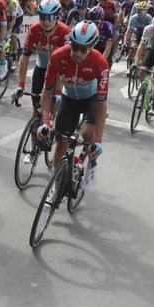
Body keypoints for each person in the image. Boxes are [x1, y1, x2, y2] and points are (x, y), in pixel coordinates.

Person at [37, 21, 108, 186]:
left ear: (91, 47)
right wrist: (46, 122)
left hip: (91, 100)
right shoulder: (57, 56)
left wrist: (98, 141)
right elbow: (46, 91)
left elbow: (102, 104)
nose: (76, 53)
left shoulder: (100, 63)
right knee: (61, 143)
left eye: (83, 49)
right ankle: (56, 184)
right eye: (74, 47)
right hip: (69, 98)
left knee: (88, 131)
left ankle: (91, 162)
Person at [17, 0, 71, 113]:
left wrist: (58, 91)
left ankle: (50, 123)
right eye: (42, 17)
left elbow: (65, 64)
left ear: (57, 17)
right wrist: (20, 85)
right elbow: (25, 57)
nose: (46, 22)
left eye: (50, 17)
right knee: (36, 105)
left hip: (58, 72)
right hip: (41, 67)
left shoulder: (65, 31)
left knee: (51, 106)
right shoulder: (34, 29)